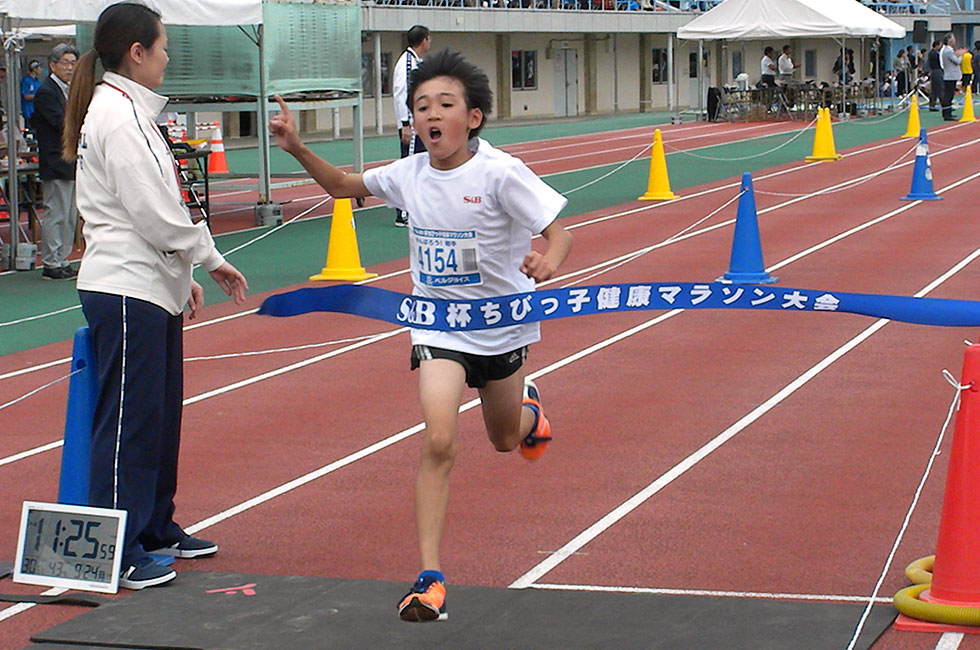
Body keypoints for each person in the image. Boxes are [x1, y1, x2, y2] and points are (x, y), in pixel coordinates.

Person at [269, 49, 572, 623]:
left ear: (473, 118)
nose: (430, 114)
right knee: (438, 440)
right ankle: (429, 578)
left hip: (500, 328)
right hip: (436, 326)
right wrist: (298, 147)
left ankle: (532, 412)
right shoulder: (407, 173)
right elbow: (340, 186)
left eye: (444, 104)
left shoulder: (501, 174)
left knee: (506, 440)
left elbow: (558, 231)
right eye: (420, 105)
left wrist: (548, 262)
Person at [62, 2, 248, 590]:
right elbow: (153, 212)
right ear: (137, 53)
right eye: (163, 46)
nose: (168, 56)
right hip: (123, 286)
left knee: (160, 414)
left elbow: (149, 209)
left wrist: (179, 273)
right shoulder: (116, 117)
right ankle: (117, 547)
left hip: (147, 284)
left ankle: (153, 526)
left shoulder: (131, 112)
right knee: (129, 420)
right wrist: (210, 259)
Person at [32, 44, 80, 280]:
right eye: (66, 63)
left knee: (70, 214)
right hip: (55, 161)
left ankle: (62, 258)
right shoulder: (47, 92)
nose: (70, 67)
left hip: (70, 161)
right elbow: (61, 125)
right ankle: (51, 262)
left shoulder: (68, 90)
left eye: (73, 63)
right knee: (57, 213)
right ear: (53, 65)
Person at [391, 24, 431, 227]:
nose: (430, 42)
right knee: (410, 166)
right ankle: (403, 213)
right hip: (411, 126)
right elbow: (402, 93)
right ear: (423, 40)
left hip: (416, 124)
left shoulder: (416, 61)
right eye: (429, 38)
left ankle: (414, 207)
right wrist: (405, 124)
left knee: (420, 164)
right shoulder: (407, 63)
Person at [940, 33, 967, 121]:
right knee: (948, 95)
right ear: (951, 41)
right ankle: (947, 114)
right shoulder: (948, 51)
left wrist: (957, 54)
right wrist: (961, 55)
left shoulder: (947, 50)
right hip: (950, 75)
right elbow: (957, 61)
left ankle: (948, 112)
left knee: (949, 94)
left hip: (949, 75)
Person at [21, 59, 43, 126]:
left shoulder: (38, 82)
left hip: (38, 112)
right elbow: (26, 96)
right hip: (29, 112)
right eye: (39, 67)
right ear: (34, 69)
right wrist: (38, 96)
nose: (41, 69)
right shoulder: (27, 81)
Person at [928, 40, 943, 111]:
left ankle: (932, 105)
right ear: (937, 45)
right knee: (939, 87)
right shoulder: (935, 54)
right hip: (937, 70)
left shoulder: (931, 53)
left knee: (933, 89)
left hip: (933, 71)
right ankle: (944, 104)